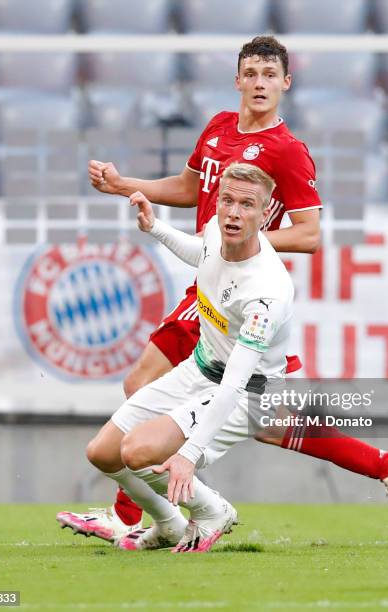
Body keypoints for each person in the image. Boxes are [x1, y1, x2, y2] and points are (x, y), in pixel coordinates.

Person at [57, 35, 388, 543]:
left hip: (237, 286)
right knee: (269, 417)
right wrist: (127, 186)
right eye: (251, 74)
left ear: (285, 85)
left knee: (148, 383)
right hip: (210, 278)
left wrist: (239, 244)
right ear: (237, 80)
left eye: (269, 76)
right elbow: (191, 191)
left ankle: (135, 515)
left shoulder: (288, 151)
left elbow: (309, 234)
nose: (259, 84)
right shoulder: (217, 128)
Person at [89, 162, 296, 552]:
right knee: (102, 453)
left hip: (249, 394)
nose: (234, 213)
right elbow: (201, 253)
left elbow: (235, 383)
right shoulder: (218, 231)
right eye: (227, 201)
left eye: (247, 205)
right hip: (199, 369)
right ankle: (168, 523)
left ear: (266, 213)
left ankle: (212, 510)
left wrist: (188, 453)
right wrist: (155, 228)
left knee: (137, 451)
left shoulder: (266, 293)